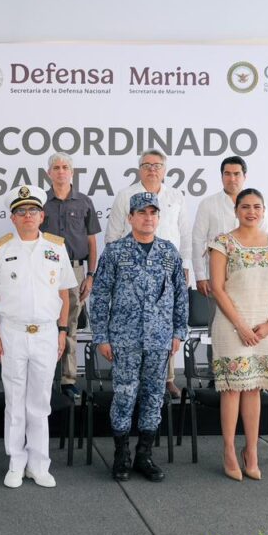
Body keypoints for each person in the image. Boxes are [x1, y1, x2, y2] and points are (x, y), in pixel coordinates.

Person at [0, 185, 77, 489]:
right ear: (13, 218)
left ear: (42, 216)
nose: (27, 216)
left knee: (39, 401)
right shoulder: (0, 249)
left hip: (46, 333)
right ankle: (16, 463)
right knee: (14, 401)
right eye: (21, 212)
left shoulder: (56, 247)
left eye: (33, 211)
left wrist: (63, 331)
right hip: (12, 333)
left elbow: (64, 294)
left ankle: (39, 464)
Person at [90, 192, 188, 483]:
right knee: (124, 396)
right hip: (124, 339)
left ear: (158, 217)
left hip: (159, 339)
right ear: (130, 217)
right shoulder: (115, 252)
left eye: (153, 213)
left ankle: (144, 454)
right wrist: (102, 336)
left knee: (154, 396)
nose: (148, 218)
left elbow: (180, 294)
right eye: (142, 213)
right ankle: (121, 454)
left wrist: (178, 332)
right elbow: (100, 295)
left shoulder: (169, 252)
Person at [208, 189, 268, 481]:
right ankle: (229, 450)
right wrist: (241, 325)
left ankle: (251, 451)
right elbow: (217, 288)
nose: (251, 212)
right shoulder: (222, 243)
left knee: (254, 388)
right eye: (245, 207)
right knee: (232, 389)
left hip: (265, 327)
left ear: (264, 211)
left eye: (256, 207)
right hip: (232, 325)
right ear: (236, 211)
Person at [105, 150, 190, 398]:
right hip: (131, 271)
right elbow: (113, 233)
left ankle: (167, 379)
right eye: (147, 165)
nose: (152, 169)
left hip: (166, 270)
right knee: (134, 326)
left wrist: (185, 267)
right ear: (139, 169)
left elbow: (185, 234)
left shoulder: (176, 196)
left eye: (157, 165)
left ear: (165, 170)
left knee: (164, 322)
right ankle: (131, 382)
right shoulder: (125, 195)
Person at [41, 152, 101, 400]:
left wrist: (91, 275)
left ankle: (68, 379)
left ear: (72, 172)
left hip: (76, 270)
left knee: (71, 326)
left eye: (65, 167)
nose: (61, 171)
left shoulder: (84, 202)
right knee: (46, 324)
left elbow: (92, 241)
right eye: (56, 168)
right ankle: (45, 376)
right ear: (49, 173)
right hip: (45, 270)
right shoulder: (40, 202)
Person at [191, 156, 268, 301]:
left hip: (251, 277)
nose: (232, 179)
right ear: (221, 176)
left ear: (244, 176)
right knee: (218, 315)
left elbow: (266, 238)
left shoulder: (257, 204)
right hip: (217, 279)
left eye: (236, 174)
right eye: (227, 174)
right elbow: (198, 241)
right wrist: (200, 276)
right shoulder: (208, 204)